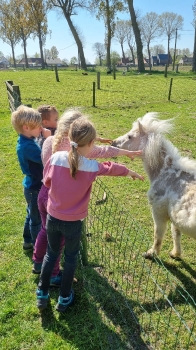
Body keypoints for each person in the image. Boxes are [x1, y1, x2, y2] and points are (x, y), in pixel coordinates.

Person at [36, 117, 144, 312]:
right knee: (70, 259)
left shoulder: (55, 158)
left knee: (51, 254)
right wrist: (130, 172)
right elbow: (111, 167)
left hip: (52, 217)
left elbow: (47, 180)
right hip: (73, 223)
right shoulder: (92, 167)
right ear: (92, 143)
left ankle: (42, 294)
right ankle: (64, 297)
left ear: (69, 138)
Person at [11, 105, 50, 250]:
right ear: (26, 127)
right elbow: (45, 158)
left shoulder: (27, 140)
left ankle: (27, 241)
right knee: (37, 219)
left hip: (30, 185)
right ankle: (37, 247)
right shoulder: (28, 147)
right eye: (38, 126)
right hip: (34, 187)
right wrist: (47, 140)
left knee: (31, 213)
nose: (40, 128)